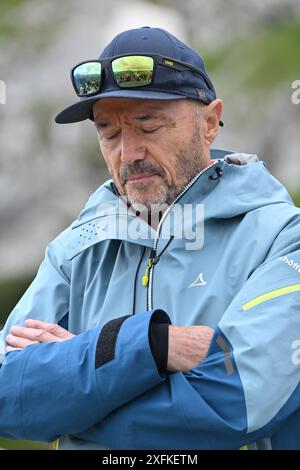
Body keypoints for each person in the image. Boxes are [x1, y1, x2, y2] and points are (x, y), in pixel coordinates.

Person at [0, 26, 300, 450]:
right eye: (109, 132)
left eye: (149, 125)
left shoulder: (285, 238)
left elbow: (238, 401)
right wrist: (153, 345)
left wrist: (76, 394)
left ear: (210, 123)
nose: (129, 152)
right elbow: (8, 395)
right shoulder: (73, 251)